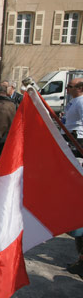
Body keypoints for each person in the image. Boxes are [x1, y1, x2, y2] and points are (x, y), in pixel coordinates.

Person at [63, 76, 83, 277]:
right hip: (71, 141)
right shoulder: (73, 101)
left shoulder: (82, 101)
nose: (67, 88)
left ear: (79, 88)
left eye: (70, 86)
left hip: (78, 143)